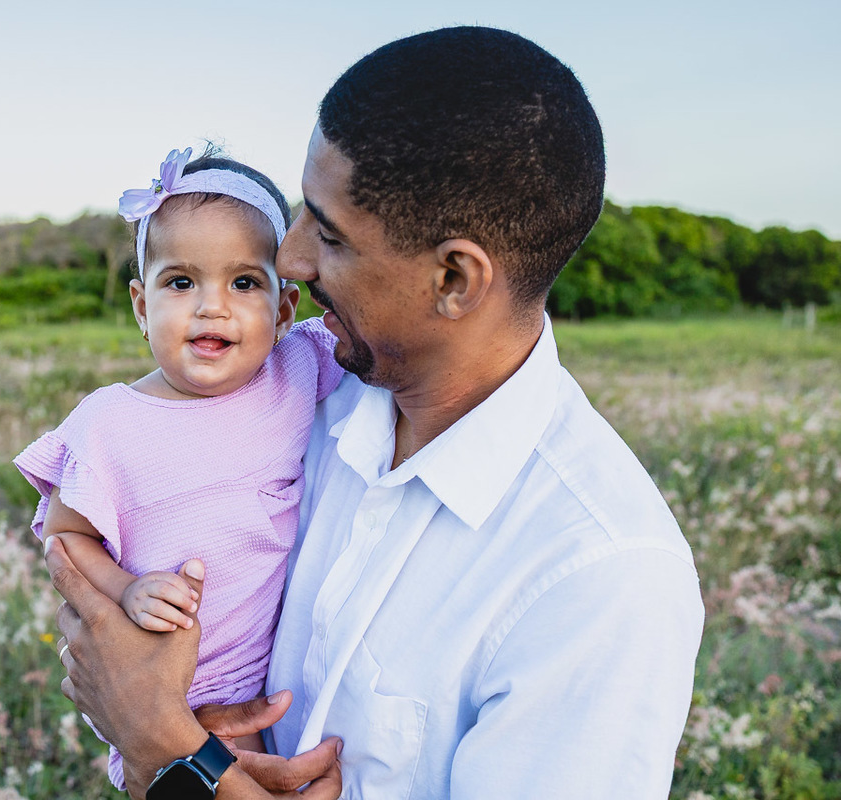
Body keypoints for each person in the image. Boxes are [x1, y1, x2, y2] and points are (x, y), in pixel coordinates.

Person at [47, 26, 705, 800]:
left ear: (454, 279)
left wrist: (170, 752)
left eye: (327, 233)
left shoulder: (600, 580)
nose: (289, 260)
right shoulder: (302, 398)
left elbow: (158, 734)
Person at [14, 147, 345, 791]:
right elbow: (66, 537)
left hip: (264, 676)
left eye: (244, 283)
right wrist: (125, 590)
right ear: (142, 305)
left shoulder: (298, 367)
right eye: (181, 282)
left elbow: (395, 343)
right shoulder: (109, 421)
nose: (211, 308)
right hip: (164, 677)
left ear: (283, 310)